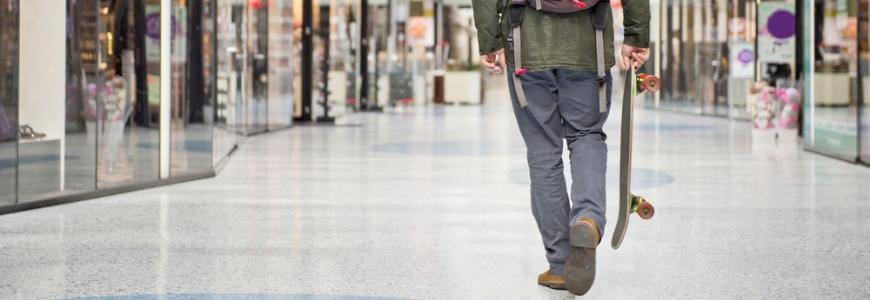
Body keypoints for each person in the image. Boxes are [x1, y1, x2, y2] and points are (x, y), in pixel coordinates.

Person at [471, 0, 650, 295]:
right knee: (587, 135)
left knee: (543, 152)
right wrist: (636, 36)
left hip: (524, 41)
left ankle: (562, 265)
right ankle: (588, 219)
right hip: (589, 42)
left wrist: (489, 40)